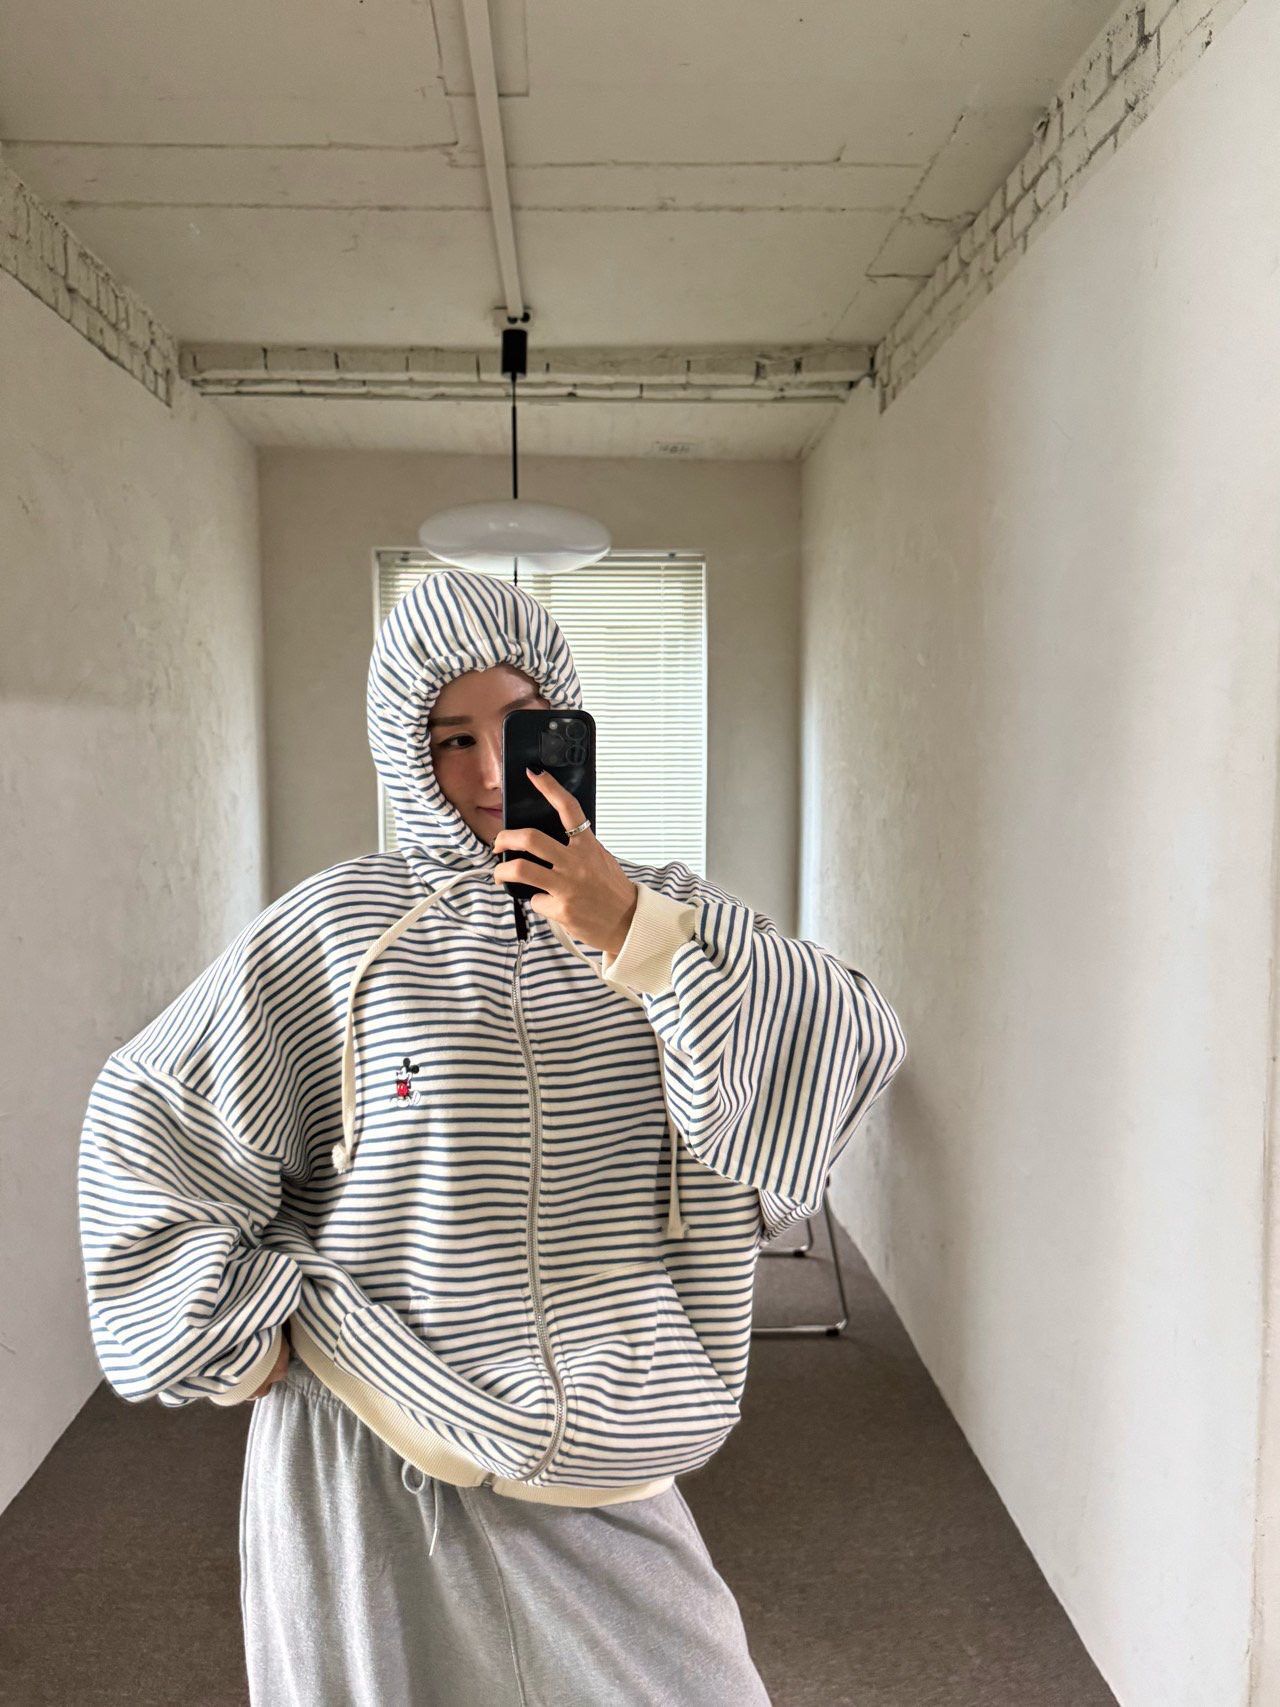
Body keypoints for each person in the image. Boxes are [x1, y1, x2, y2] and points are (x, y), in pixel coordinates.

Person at [77, 567, 908, 1706]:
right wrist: (237, 1339)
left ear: (564, 722)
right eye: (447, 737)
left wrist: (637, 935)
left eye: (517, 728)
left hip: (612, 1442)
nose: (481, 772)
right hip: (370, 1439)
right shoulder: (340, 926)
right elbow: (147, 1113)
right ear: (401, 750)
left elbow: (850, 1033)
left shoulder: (667, 902)